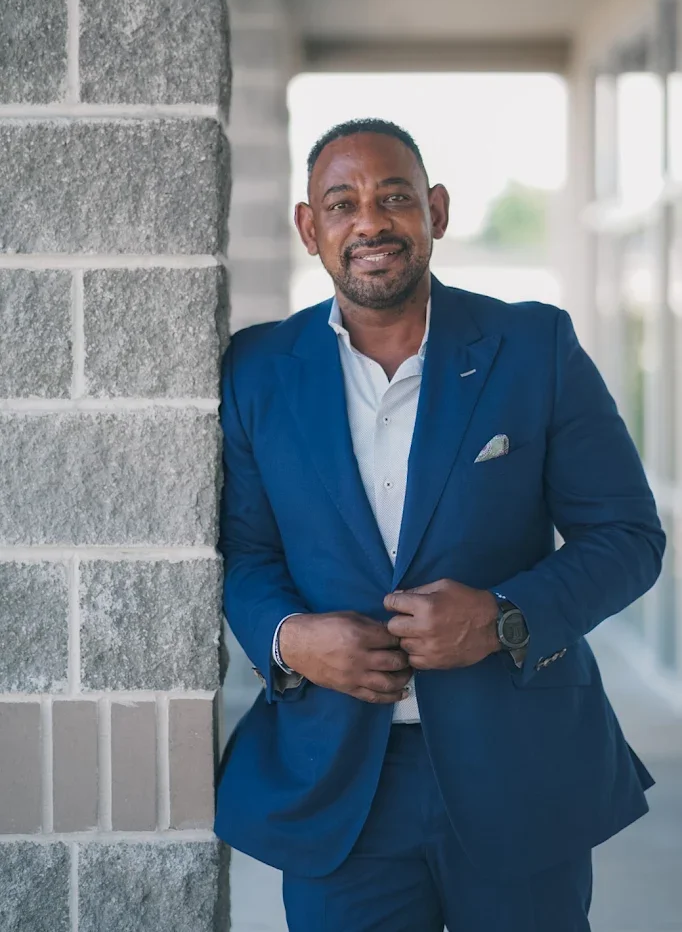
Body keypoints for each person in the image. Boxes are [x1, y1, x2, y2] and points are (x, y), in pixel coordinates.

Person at [215, 118, 665, 932]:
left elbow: (628, 537)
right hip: (340, 784)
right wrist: (288, 638)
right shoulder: (257, 372)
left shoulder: (534, 347)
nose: (371, 221)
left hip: (521, 769)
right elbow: (245, 553)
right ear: (309, 227)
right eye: (342, 203)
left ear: (438, 212)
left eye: (396, 198)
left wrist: (503, 618)